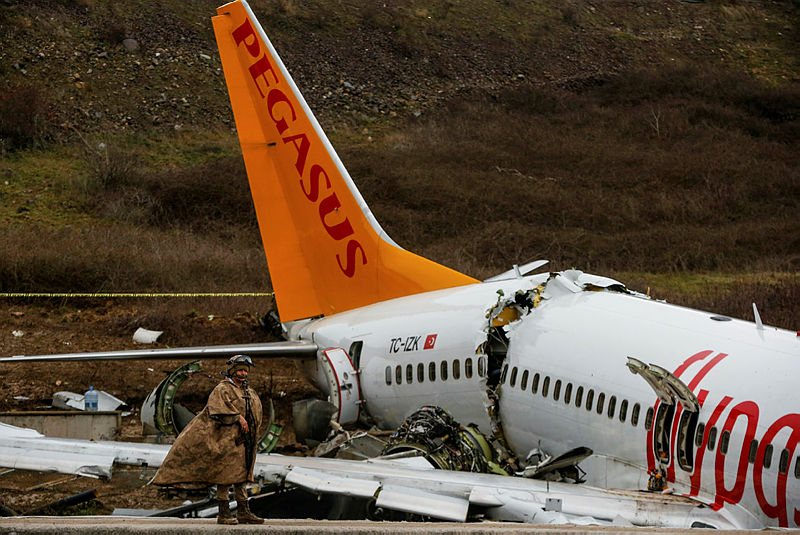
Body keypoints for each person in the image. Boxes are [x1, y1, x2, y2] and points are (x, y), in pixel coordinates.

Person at [153, 354, 264, 525]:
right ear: (232, 371)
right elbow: (217, 409)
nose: (243, 374)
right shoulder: (223, 389)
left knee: (241, 477)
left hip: (244, 442)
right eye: (240, 370)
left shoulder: (247, 390)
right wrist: (238, 418)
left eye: (245, 371)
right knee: (225, 477)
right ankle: (224, 513)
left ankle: (243, 511)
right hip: (227, 440)